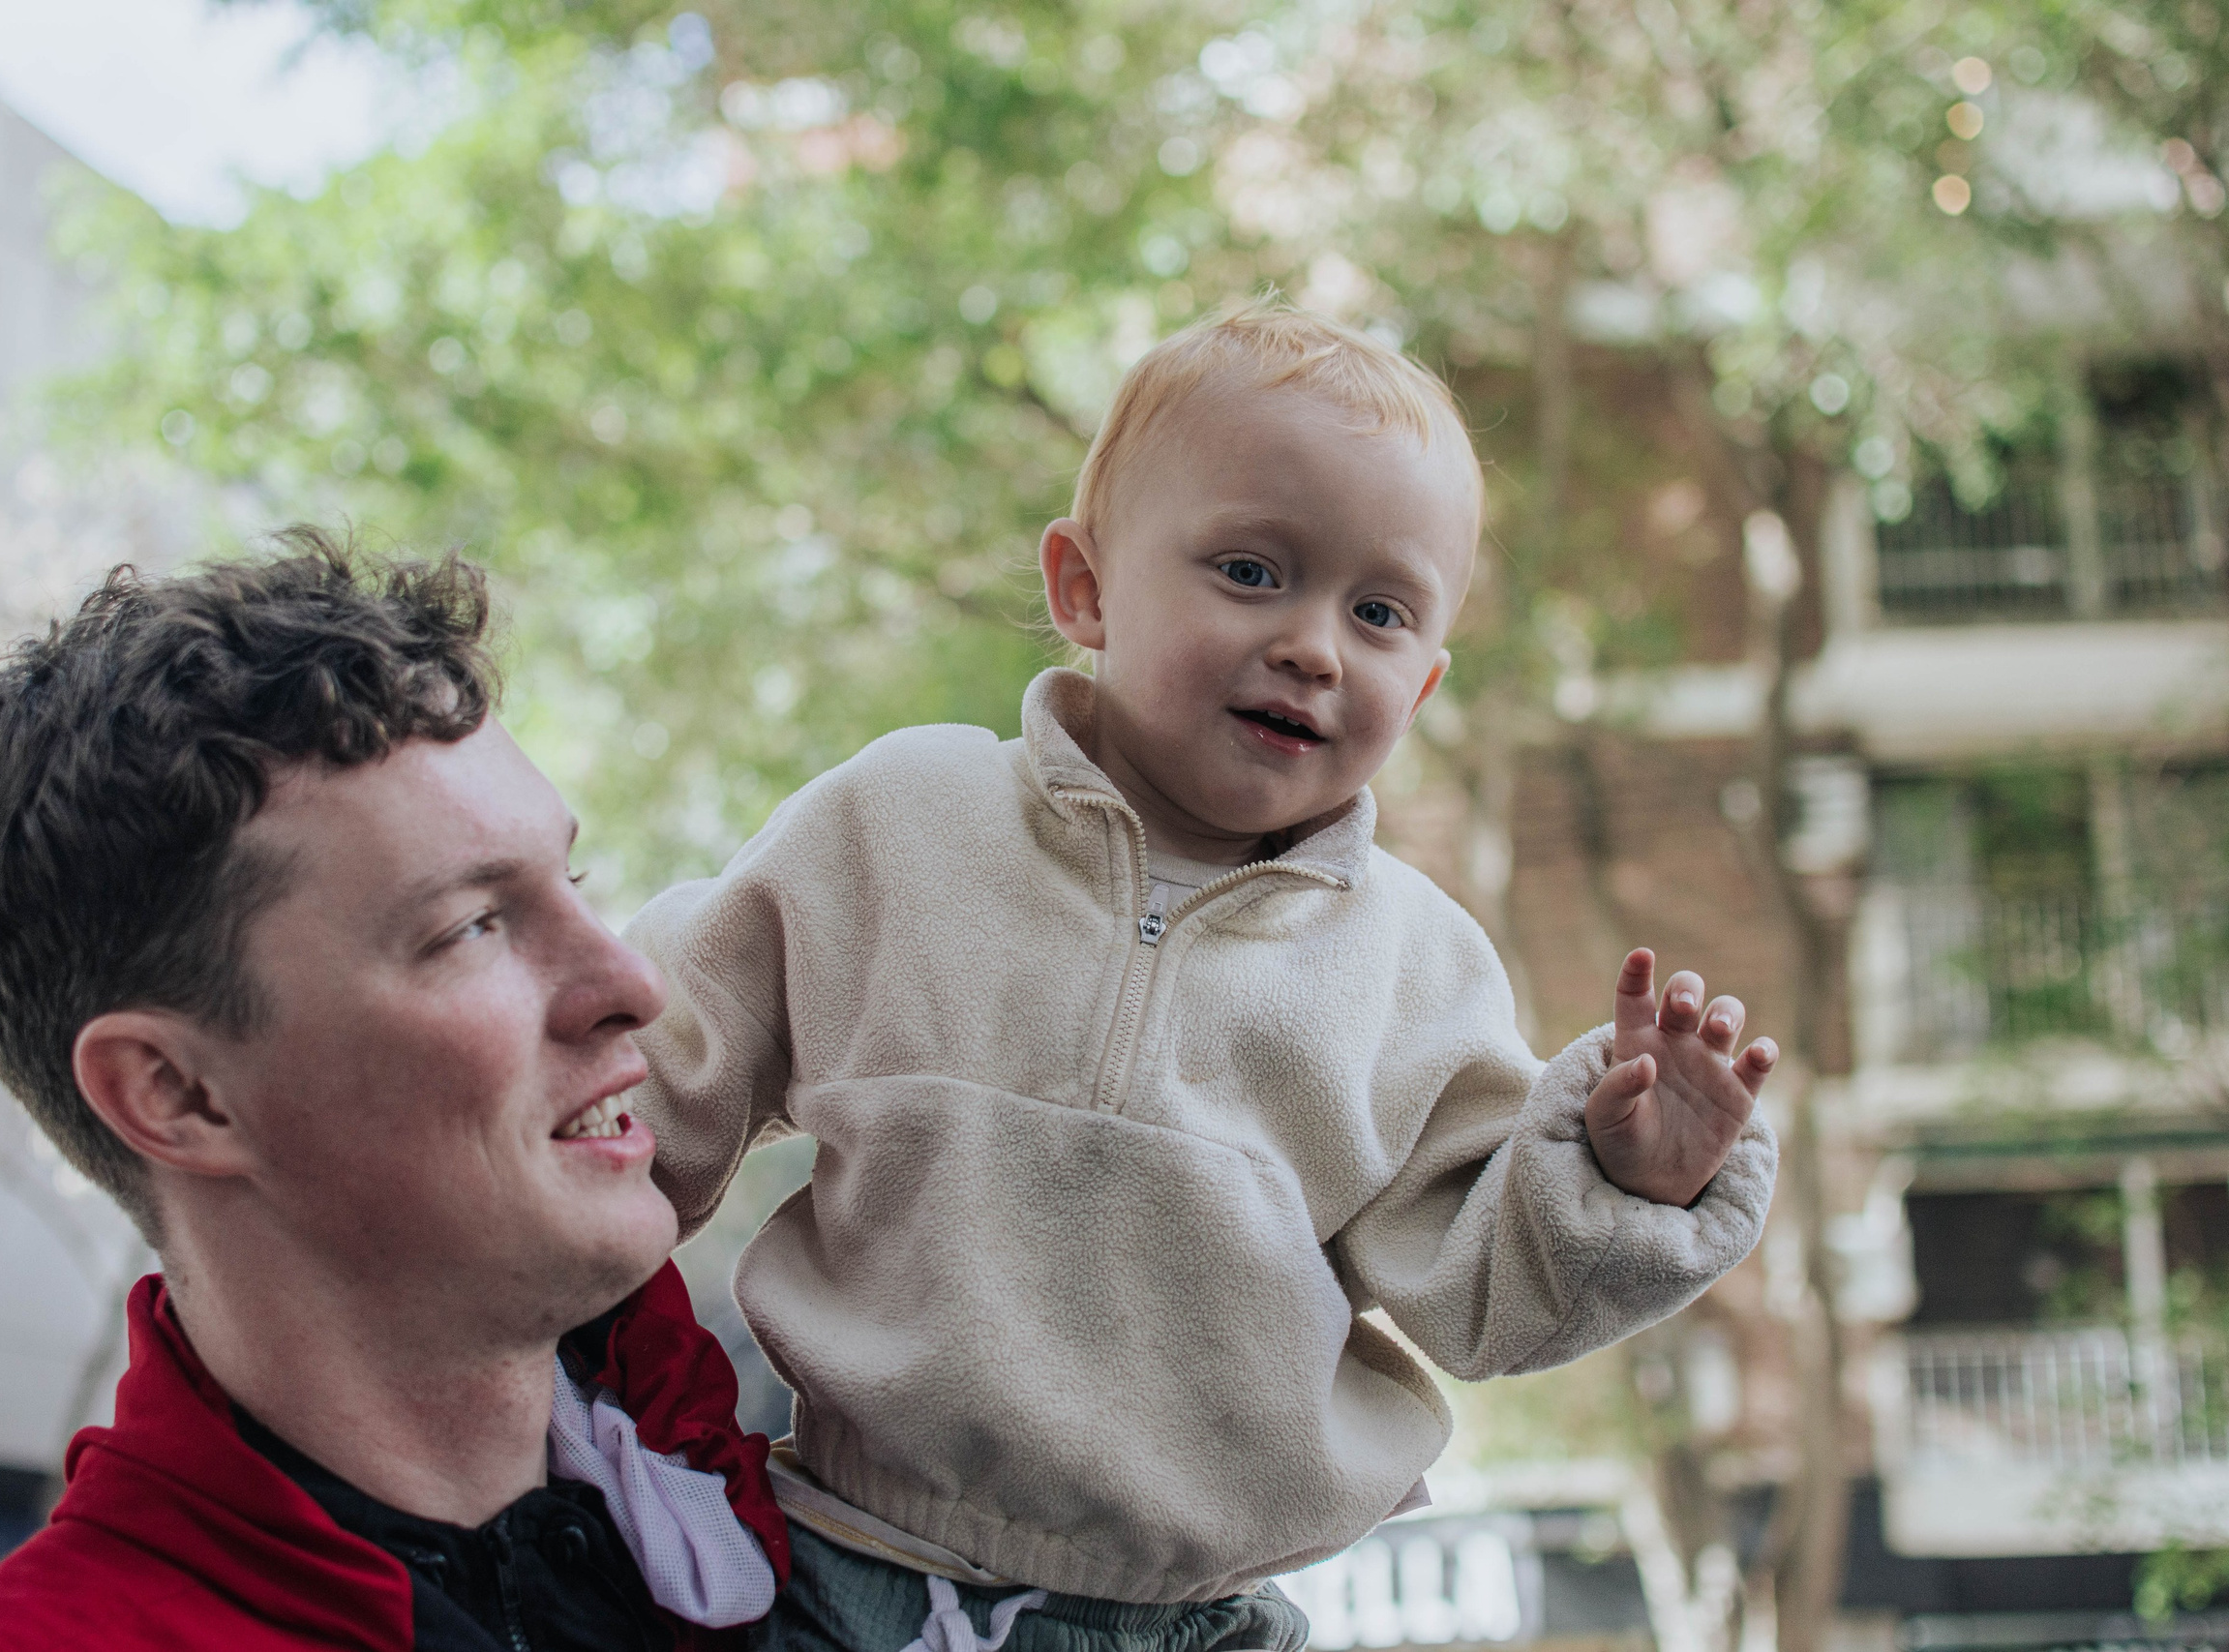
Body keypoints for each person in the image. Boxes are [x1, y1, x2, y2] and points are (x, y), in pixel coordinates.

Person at [621, 300, 1783, 1652]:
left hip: (1199, 1619)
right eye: (1250, 569)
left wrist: (1629, 1178)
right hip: (853, 1571)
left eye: (1380, 611)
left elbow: (1483, 1286)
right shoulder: (898, 823)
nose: (1314, 643)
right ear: (1085, 586)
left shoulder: (1416, 968)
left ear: (1424, 683)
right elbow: (663, 1065)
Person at [0, 535, 786, 1651]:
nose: (632, 984)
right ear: (175, 1094)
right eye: (471, 927)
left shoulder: (833, 1559)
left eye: (574, 882)